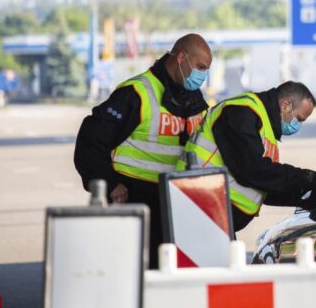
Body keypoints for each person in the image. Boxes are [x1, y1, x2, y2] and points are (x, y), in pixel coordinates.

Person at [74, 33, 212, 268]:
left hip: (175, 203)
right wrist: (108, 183)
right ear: (181, 58)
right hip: (134, 200)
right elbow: (91, 140)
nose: (203, 75)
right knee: (134, 273)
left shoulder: (194, 101)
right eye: (200, 67)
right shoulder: (137, 93)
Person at [176, 81, 316, 233]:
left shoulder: (264, 126)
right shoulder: (241, 111)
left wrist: (301, 197)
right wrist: (307, 178)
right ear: (285, 105)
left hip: (214, 214)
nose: (298, 125)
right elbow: (252, 170)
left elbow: (264, 185)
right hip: (200, 206)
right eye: (299, 119)